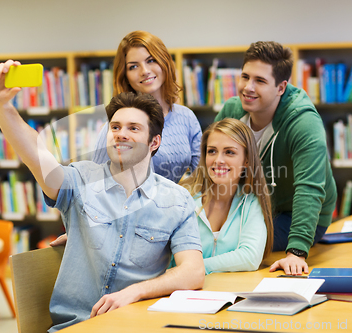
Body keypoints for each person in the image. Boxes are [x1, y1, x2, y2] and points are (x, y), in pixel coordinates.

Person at [0, 61, 205, 331]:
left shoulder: (177, 200)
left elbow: (193, 271)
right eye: (115, 127)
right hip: (75, 326)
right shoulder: (79, 180)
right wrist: (2, 106)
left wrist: (135, 292)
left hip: (136, 326)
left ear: (154, 142)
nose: (121, 135)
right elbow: (37, 156)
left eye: (133, 128)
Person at [214, 41, 337, 275]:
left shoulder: (303, 122)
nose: (248, 87)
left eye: (260, 81)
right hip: (251, 206)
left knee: (229, 240)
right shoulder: (231, 112)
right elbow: (210, 166)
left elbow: (309, 187)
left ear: (281, 87)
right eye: (245, 77)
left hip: (291, 214)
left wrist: (297, 252)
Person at [93, 30, 202, 183]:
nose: (144, 71)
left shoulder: (187, 117)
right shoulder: (115, 127)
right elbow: (97, 185)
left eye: (151, 61)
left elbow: (203, 178)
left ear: (164, 62)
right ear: (125, 76)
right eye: (133, 67)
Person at [173, 118, 273, 274]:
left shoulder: (251, 202)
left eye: (229, 152)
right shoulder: (183, 197)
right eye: (212, 151)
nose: (218, 160)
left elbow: (250, 257)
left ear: (247, 160)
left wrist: (194, 269)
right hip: (181, 292)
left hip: (228, 292)